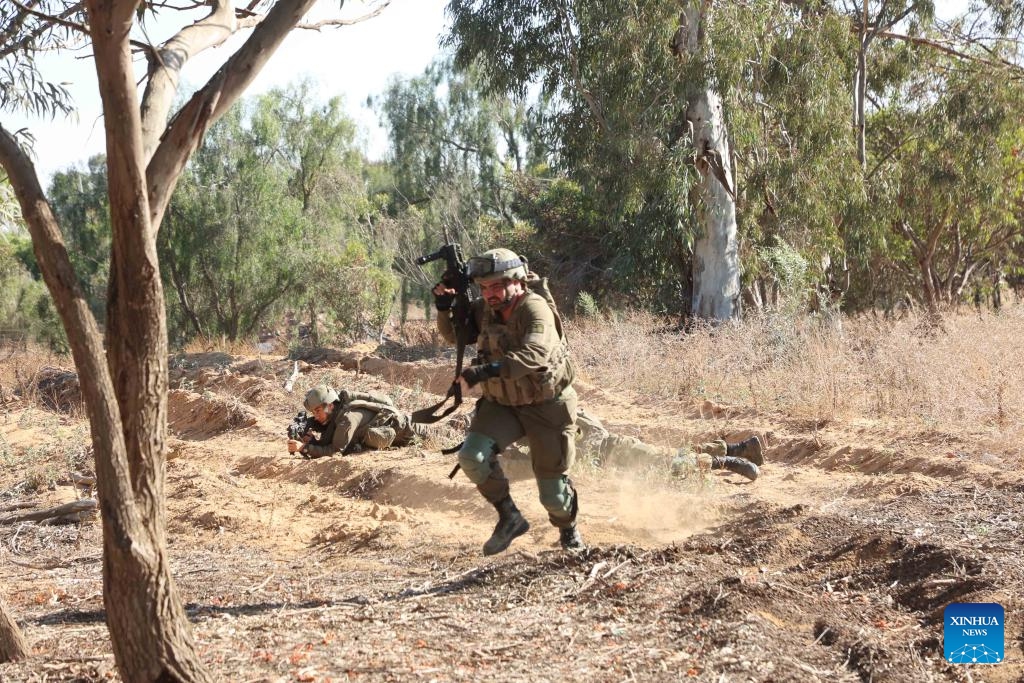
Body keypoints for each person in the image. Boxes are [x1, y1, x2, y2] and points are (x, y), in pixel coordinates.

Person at [433, 247, 583, 555]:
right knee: (471, 457)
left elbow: (534, 356)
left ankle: (568, 531)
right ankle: (509, 517)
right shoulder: (484, 309)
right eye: (484, 287)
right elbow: (457, 336)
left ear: (517, 281)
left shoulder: (534, 308)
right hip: (503, 404)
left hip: (546, 405)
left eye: (496, 286)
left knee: (553, 497)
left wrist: (484, 371)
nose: (489, 293)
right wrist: (444, 307)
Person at [574, 409, 764, 480]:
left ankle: (727, 461)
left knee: (671, 463)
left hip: (617, 449)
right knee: (675, 454)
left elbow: (593, 433)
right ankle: (740, 448)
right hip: (613, 454)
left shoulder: (560, 413)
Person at [287, 385, 427, 458]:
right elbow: (331, 438)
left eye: (317, 411)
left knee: (443, 434)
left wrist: (304, 448)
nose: (316, 416)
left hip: (409, 429)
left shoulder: (347, 419)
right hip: (403, 426)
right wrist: (312, 441)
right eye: (313, 413)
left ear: (330, 406)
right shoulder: (336, 414)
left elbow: (335, 452)